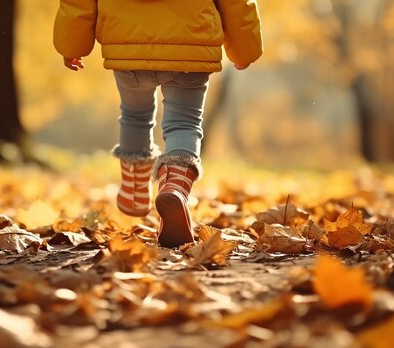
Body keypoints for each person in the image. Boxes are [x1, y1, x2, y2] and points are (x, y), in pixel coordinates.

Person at [54, 0, 263, 247]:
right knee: (184, 122)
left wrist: (72, 44)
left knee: (135, 115)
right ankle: (175, 186)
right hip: (189, 42)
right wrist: (244, 49)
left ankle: (134, 189)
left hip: (126, 43)